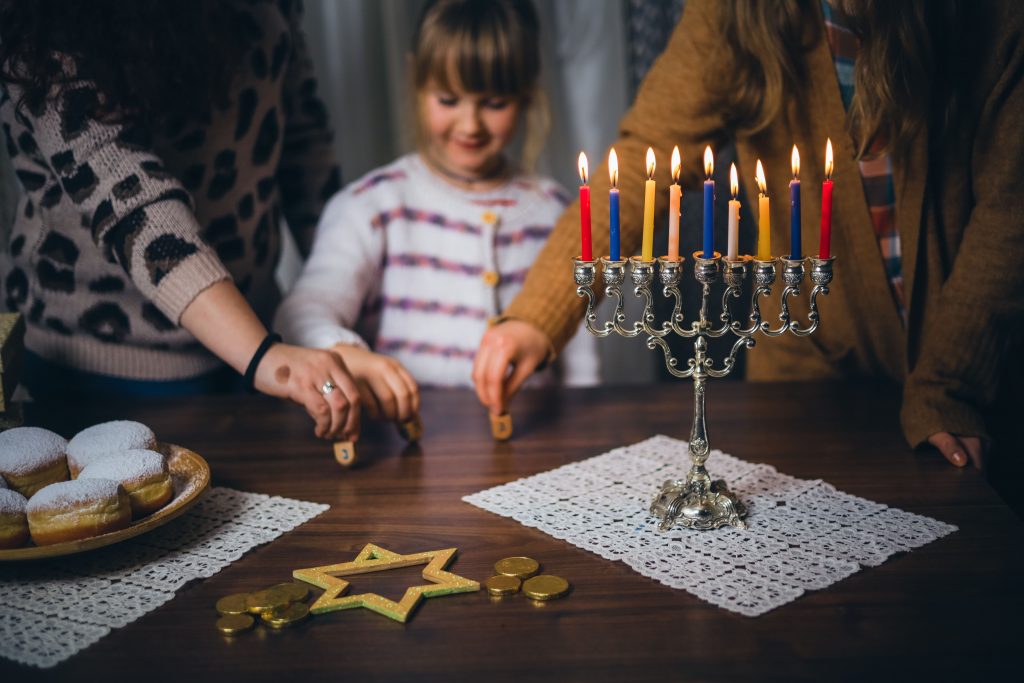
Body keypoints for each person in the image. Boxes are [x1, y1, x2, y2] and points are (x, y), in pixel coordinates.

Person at [474, 0, 1024, 476]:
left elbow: (1010, 210)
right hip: (806, 363)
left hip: (979, 379)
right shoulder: (734, 12)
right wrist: (536, 314)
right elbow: (646, 162)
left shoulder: (993, 17)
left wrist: (950, 384)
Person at [0, 0, 360, 440]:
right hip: (101, 369)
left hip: (257, 342)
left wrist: (351, 305)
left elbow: (303, 143)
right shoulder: (47, 25)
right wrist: (270, 359)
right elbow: (137, 208)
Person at [274, 0, 598, 422]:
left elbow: (581, 359)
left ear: (526, 94)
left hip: (532, 448)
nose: (470, 125)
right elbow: (300, 313)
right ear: (415, 79)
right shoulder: (372, 206)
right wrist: (345, 354)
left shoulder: (557, 213)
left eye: (495, 103)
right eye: (448, 99)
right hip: (407, 454)